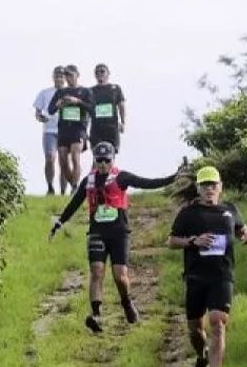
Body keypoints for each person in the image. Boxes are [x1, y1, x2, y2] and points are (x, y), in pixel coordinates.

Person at [49, 142, 182, 333]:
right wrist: (59, 223)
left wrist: (174, 178)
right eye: (99, 160)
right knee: (97, 271)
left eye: (107, 160)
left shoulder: (121, 177)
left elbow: (149, 183)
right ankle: (96, 315)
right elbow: (74, 203)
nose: (103, 164)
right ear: (95, 160)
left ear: (113, 159)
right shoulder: (89, 181)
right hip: (97, 232)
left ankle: (127, 303)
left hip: (119, 233)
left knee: (120, 276)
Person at [167, 165, 247, 367]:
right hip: (196, 276)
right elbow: (171, 241)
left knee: (217, 322)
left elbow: (243, 231)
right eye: (205, 185)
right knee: (195, 330)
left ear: (220, 187)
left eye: (213, 185)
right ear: (198, 187)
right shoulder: (188, 213)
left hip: (222, 276)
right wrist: (192, 241)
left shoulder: (230, 210)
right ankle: (201, 356)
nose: (209, 189)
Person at [46, 65, 92, 192]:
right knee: (62, 160)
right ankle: (74, 186)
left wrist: (78, 102)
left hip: (78, 128)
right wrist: (58, 104)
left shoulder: (85, 91)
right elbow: (50, 110)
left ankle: (75, 186)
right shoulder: (61, 92)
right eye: (66, 75)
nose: (68, 78)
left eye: (71, 75)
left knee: (75, 157)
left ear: (77, 75)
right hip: (64, 129)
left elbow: (92, 109)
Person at [33, 66, 68, 195]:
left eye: (62, 76)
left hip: (66, 130)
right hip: (49, 131)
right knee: (50, 157)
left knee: (64, 161)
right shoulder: (45, 93)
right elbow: (37, 112)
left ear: (65, 78)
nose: (59, 78)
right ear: (53, 77)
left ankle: (64, 190)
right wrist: (40, 117)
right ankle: (50, 186)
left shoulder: (70, 92)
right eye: (57, 75)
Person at [89, 63, 126, 154]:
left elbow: (121, 105)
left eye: (102, 71)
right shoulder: (90, 91)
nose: (100, 74)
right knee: (97, 156)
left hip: (111, 127)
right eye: (97, 72)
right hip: (96, 128)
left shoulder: (115, 88)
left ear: (108, 73)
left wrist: (123, 122)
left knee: (110, 156)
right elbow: (86, 109)